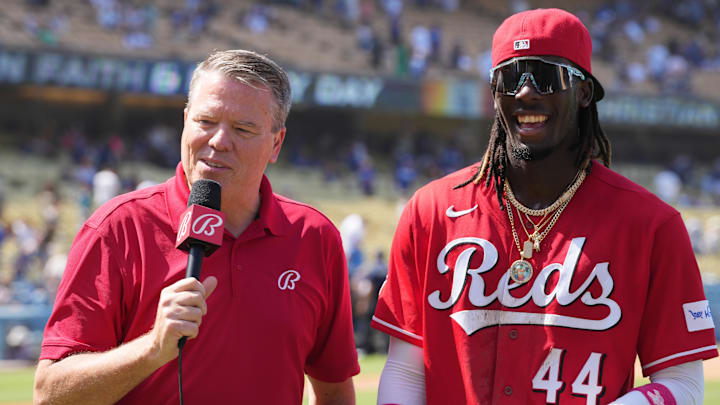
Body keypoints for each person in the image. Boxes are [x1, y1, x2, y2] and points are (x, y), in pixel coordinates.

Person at [371, 8, 717, 405]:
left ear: (584, 92)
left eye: (547, 76)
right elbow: (404, 371)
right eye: (511, 77)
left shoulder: (652, 225)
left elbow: (685, 384)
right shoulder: (430, 211)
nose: (526, 92)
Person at [34, 50, 359, 405]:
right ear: (186, 121)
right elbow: (50, 395)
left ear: (276, 143)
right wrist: (151, 349)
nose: (219, 141)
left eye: (243, 129)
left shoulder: (314, 236)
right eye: (205, 121)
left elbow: (333, 389)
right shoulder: (117, 229)